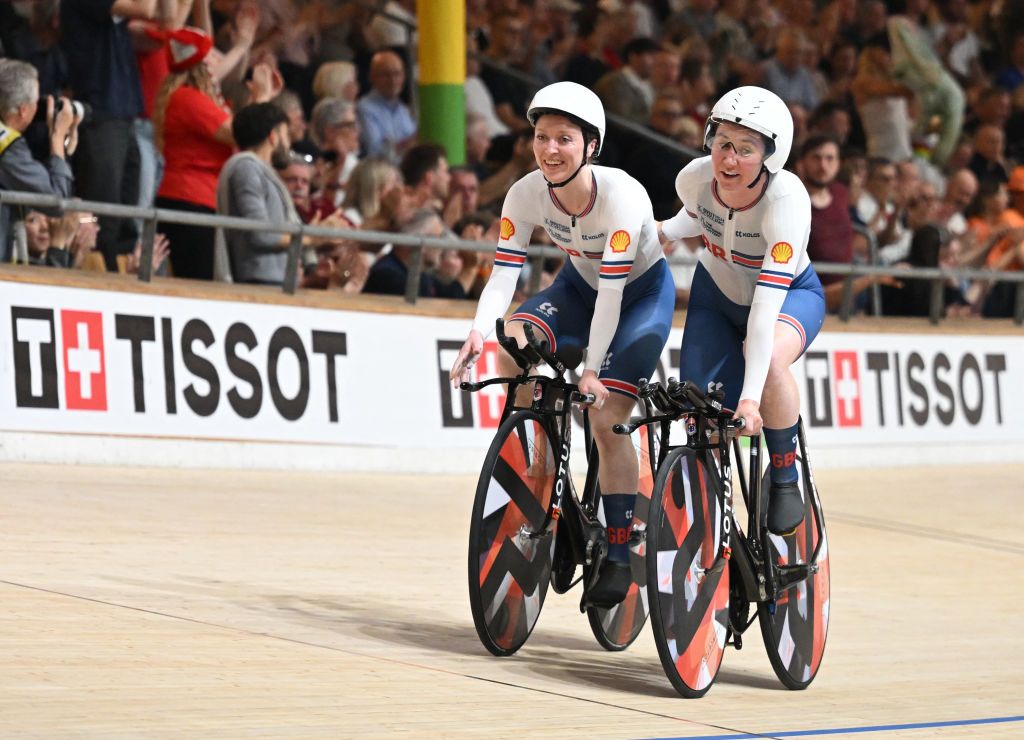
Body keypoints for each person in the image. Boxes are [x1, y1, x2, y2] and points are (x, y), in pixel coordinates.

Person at [449, 81, 676, 607]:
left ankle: (619, 547)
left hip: (638, 297)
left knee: (604, 416)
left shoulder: (620, 195)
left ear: (591, 146)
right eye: (542, 137)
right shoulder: (525, 192)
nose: (550, 150)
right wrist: (479, 330)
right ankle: (541, 465)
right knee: (513, 342)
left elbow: (613, 294)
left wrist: (592, 369)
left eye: (565, 139)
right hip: (576, 288)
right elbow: (504, 275)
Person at [659, 86, 825, 537]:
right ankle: (711, 525)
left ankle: (785, 475)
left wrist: (750, 401)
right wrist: (662, 232)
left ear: (771, 158)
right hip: (716, 294)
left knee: (766, 356)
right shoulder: (693, 177)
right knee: (700, 408)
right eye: (723, 143)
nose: (728, 160)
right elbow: (700, 214)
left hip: (790, 297)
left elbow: (765, 313)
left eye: (745, 150)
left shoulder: (787, 202)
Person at [0, 58, 78, 263]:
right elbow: (56, 201)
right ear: (24, 110)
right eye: (37, 103)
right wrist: (58, 139)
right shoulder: (7, 145)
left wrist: (63, 151)